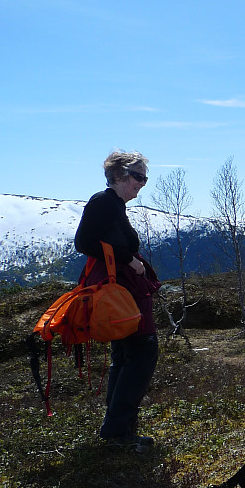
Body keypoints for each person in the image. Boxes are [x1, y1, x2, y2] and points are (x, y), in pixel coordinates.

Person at [75, 150, 161, 452]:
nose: (143, 183)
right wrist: (128, 259)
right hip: (122, 294)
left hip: (122, 291)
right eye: (138, 176)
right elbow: (83, 243)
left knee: (125, 356)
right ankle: (117, 431)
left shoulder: (113, 205)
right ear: (120, 175)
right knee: (142, 352)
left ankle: (117, 427)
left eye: (144, 177)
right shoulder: (103, 202)